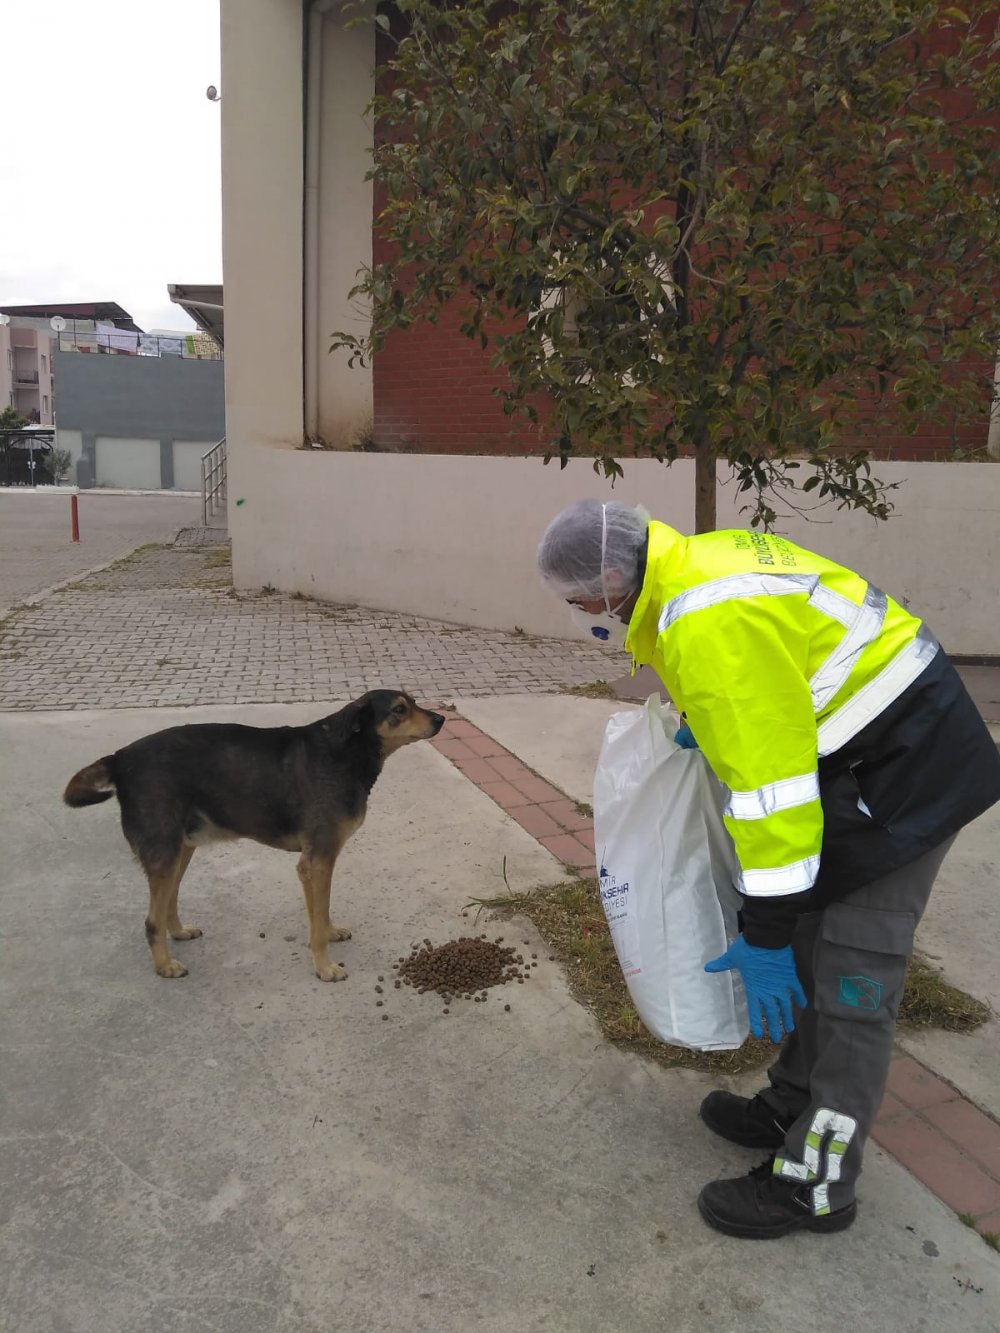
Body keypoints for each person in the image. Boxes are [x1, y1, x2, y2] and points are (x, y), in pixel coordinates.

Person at [537, 497, 1000, 1239]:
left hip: (908, 776)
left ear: (611, 580)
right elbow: (775, 684)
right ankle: (792, 1103)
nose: (585, 613)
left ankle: (817, 1184)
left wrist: (765, 932)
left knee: (853, 983)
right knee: (816, 943)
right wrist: (712, 725)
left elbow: (771, 798)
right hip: (868, 754)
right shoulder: (690, 567)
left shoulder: (703, 619)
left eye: (582, 600)